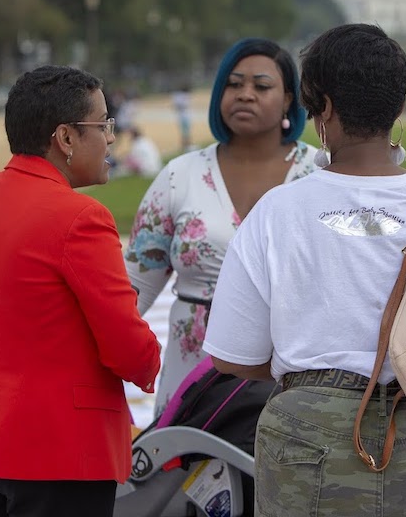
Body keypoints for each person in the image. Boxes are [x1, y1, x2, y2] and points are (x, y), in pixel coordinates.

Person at [203, 24, 406, 516]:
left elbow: (235, 356)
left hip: (311, 445)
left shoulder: (277, 213)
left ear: (325, 109)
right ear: (397, 108)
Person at [0, 66, 161, 517]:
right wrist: (152, 360)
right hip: (57, 447)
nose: (112, 138)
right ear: (65, 138)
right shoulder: (80, 217)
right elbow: (127, 346)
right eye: (103, 124)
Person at [125, 38, 316, 414]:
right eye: (233, 84)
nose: (245, 94)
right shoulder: (181, 175)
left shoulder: (320, 174)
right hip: (191, 381)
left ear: (290, 100)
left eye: (261, 86)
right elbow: (134, 287)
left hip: (290, 385)